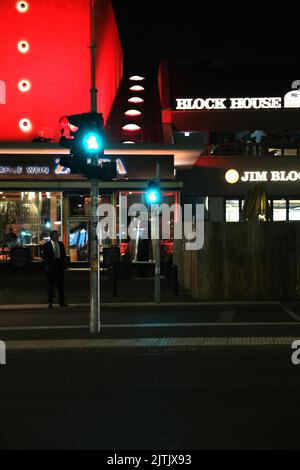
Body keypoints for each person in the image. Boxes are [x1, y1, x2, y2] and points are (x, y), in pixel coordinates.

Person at [42, 230, 68, 308]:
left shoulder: (61, 244)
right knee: (50, 286)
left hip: (59, 268)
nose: (57, 236)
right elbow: (45, 256)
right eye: (56, 235)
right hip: (51, 269)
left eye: (58, 235)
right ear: (52, 236)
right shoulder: (47, 245)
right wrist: (51, 263)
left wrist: (63, 265)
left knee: (61, 286)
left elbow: (63, 255)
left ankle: (62, 302)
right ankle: (50, 302)